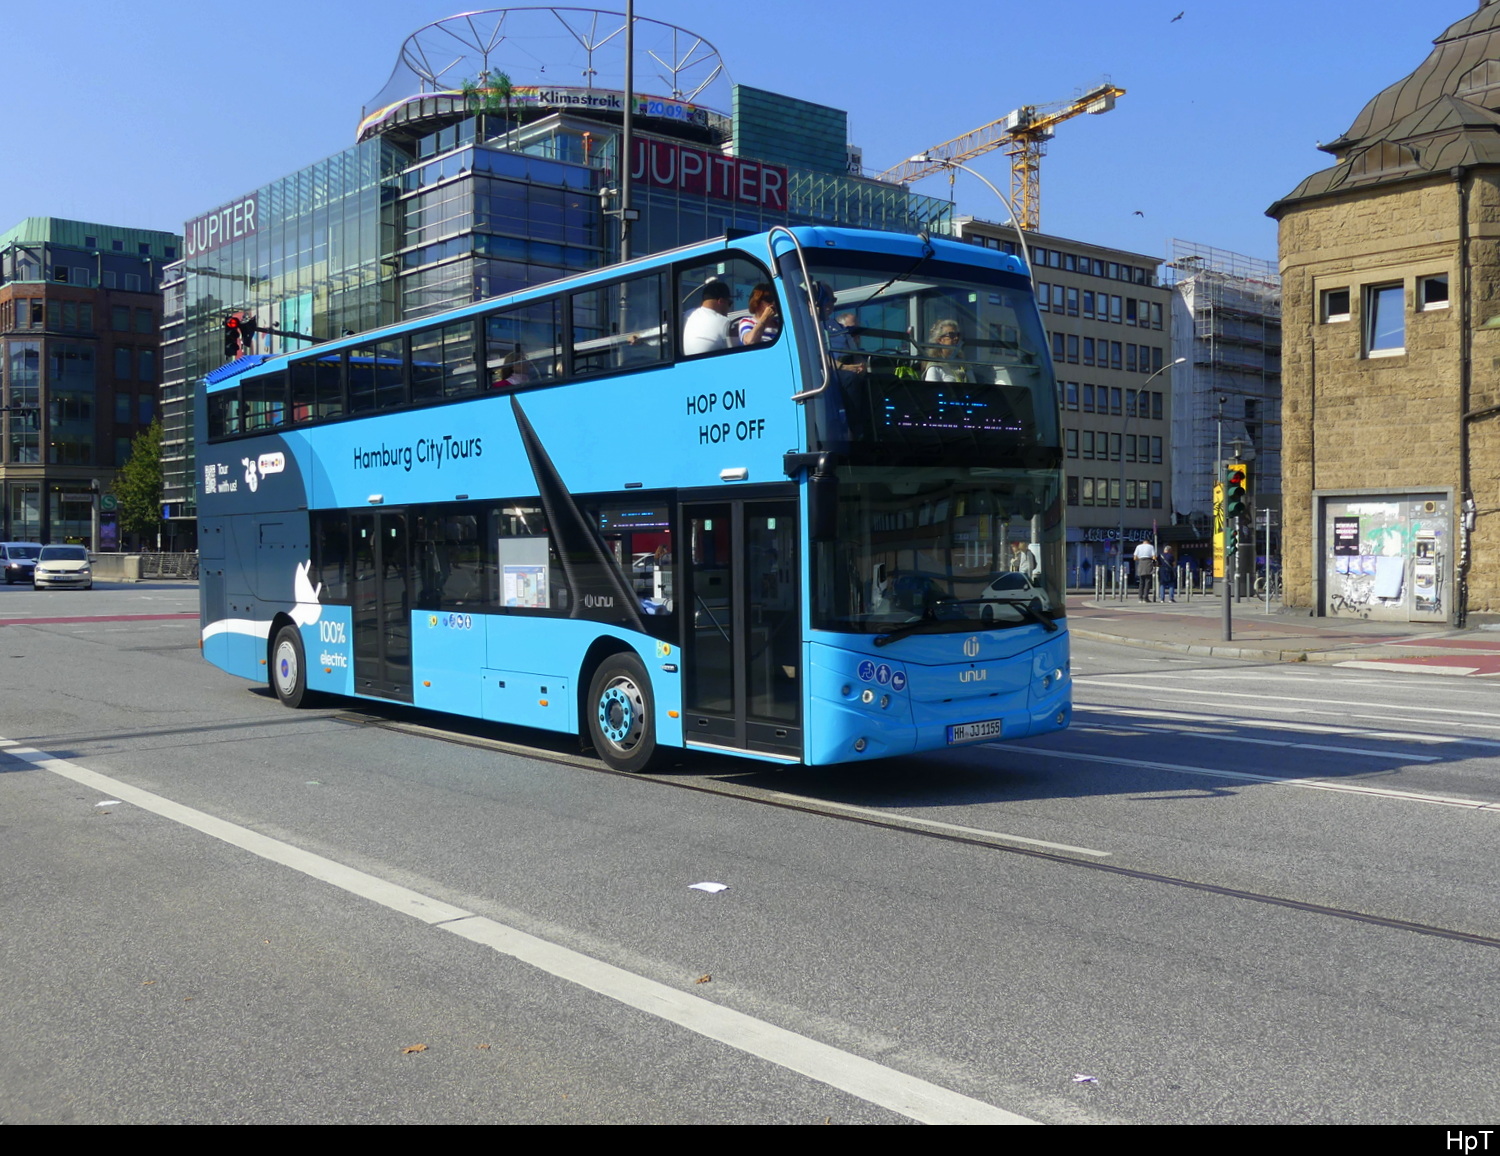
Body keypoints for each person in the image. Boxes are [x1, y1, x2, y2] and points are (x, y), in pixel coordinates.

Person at [682, 280, 733, 354]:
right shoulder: (725, 323)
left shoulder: (687, 314)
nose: (729, 308)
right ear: (721, 301)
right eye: (730, 303)